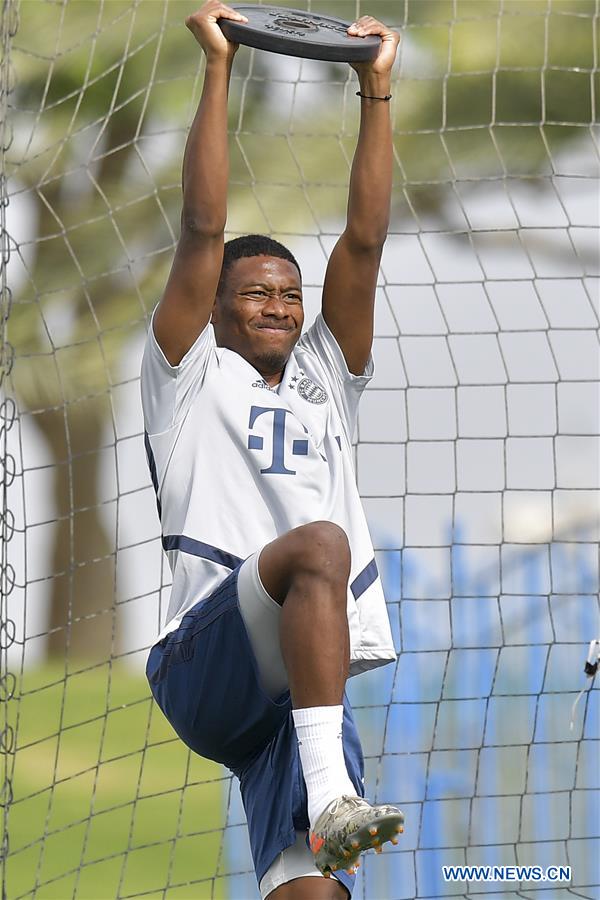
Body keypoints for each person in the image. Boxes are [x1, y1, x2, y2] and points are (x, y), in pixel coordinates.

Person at [141, 3, 403, 897]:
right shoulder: (188, 378)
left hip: (298, 705)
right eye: (256, 293)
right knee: (317, 545)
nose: (282, 306)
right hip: (206, 663)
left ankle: (323, 797)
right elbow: (203, 232)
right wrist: (220, 64)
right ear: (215, 308)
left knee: (316, 890)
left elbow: (364, 242)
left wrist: (376, 88)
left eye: (290, 292)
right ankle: (332, 792)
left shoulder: (328, 377)